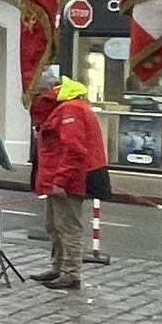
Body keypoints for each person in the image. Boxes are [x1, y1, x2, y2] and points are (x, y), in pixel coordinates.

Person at [29, 73, 107, 290]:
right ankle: (58, 268)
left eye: (37, 92)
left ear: (49, 90)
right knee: (54, 225)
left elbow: (74, 150)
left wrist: (61, 181)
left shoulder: (70, 109)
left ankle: (70, 273)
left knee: (68, 227)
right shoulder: (67, 107)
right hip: (60, 178)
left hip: (69, 180)